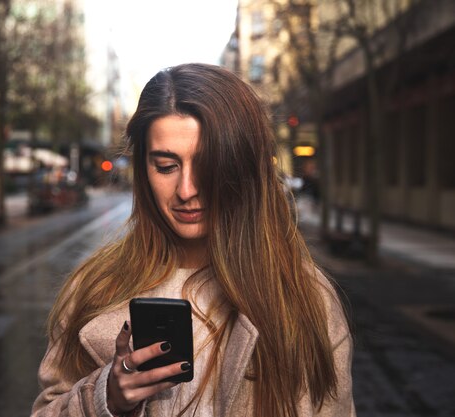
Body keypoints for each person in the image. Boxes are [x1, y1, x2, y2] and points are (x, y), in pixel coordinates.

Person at [30, 63, 355, 417]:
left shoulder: (307, 298)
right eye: (166, 166)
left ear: (242, 168)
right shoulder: (92, 290)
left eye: (207, 166)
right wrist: (104, 399)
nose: (187, 191)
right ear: (143, 169)